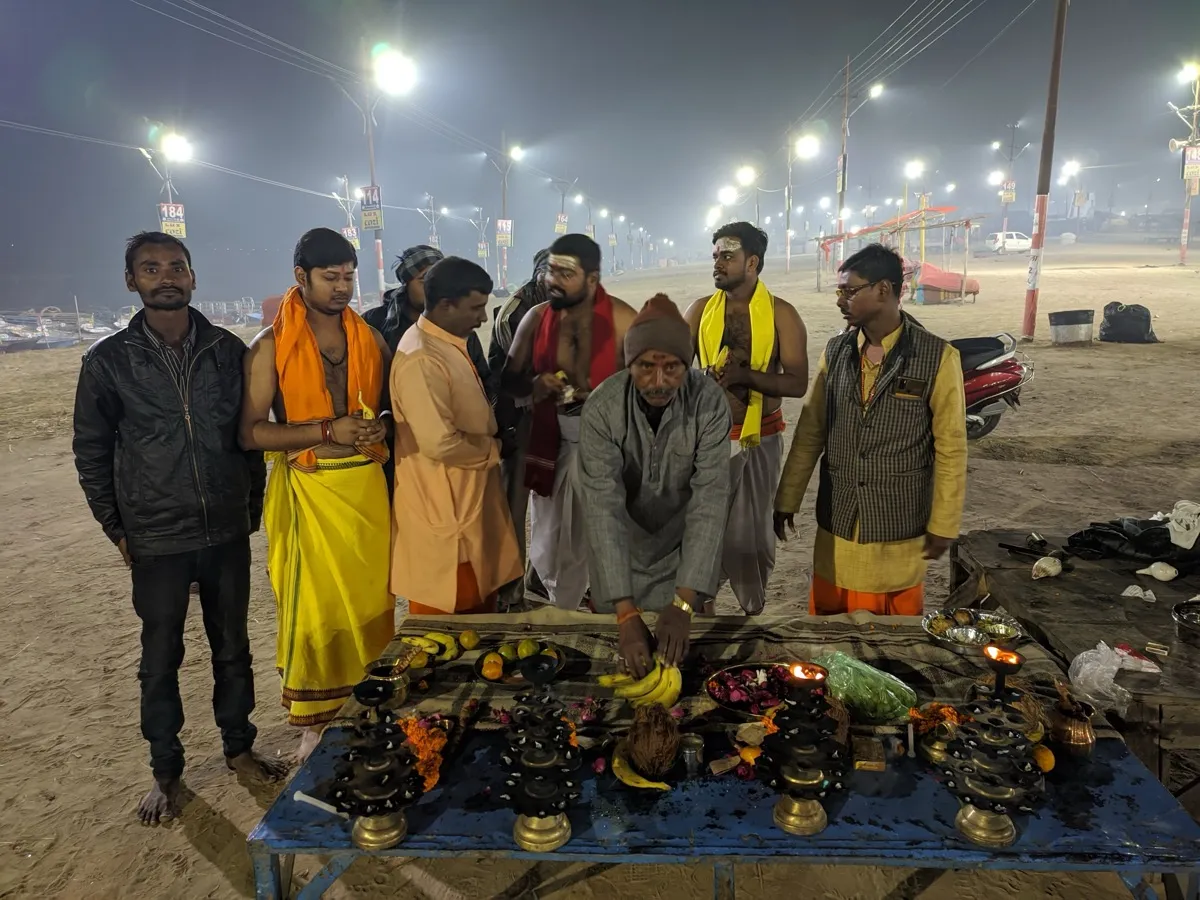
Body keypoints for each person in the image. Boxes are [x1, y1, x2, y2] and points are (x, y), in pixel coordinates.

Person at [73, 231, 285, 826]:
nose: (165, 276)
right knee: (160, 657)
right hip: (156, 534)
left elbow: (247, 439)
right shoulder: (108, 361)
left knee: (233, 650)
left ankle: (239, 746)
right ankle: (166, 772)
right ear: (131, 281)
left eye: (176, 267)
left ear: (193, 277)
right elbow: (91, 452)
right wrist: (118, 530)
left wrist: (249, 513)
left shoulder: (225, 350)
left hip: (223, 530)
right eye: (150, 268)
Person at [240, 227, 394, 762]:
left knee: (375, 603)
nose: (342, 287)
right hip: (310, 491)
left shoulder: (370, 337)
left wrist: (380, 429)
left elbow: (386, 411)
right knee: (317, 612)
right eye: (330, 278)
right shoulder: (269, 346)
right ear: (301, 277)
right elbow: (251, 432)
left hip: (365, 490)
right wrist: (327, 431)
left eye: (350, 276)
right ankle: (318, 721)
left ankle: (374, 701)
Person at [773, 243, 968, 615]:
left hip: (898, 524)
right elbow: (810, 433)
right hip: (839, 522)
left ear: (883, 290)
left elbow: (951, 449)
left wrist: (944, 523)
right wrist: (787, 500)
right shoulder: (835, 352)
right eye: (839, 292)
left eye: (849, 291)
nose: (840, 300)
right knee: (831, 634)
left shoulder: (937, 357)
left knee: (892, 641)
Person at [577, 294, 731, 676]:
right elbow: (602, 511)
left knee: (686, 661)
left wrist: (683, 604)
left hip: (682, 550)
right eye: (646, 366)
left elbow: (709, 505)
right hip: (622, 553)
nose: (659, 381)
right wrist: (624, 612)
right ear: (629, 364)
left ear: (688, 364)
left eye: (672, 368)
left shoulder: (709, 403)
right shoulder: (603, 408)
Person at [502, 234, 637, 610]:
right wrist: (534, 384)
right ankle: (564, 613)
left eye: (566, 272)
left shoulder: (625, 320)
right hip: (553, 443)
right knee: (554, 546)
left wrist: (600, 398)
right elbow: (508, 380)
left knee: (611, 543)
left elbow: (654, 388)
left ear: (592, 279)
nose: (553, 280)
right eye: (551, 271)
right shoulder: (536, 317)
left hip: (610, 448)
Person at [684, 222, 809, 616]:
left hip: (760, 441)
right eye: (716, 256)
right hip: (706, 443)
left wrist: (744, 377)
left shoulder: (781, 315)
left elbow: (797, 383)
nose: (718, 264)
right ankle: (701, 611)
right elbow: (674, 371)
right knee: (700, 534)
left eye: (727, 256)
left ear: (752, 262)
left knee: (751, 536)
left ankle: (750, 614)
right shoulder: (700, 310)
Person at [390, 257, 522, 613]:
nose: (482, 318)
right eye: (475, 308)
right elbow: (440, 443)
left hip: (471, 505)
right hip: (447, 516)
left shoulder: (449, 343)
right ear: (446, 306)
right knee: (448, 637)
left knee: (482, 630)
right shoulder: (421, 358)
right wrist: (496, 447)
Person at [488, 249, 549, 605]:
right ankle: (510, 593)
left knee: (554, 508)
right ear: (538, 274)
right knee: (515, 509)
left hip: (557, 419)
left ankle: (540, 582)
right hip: (522, 420)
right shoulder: (517, 313)